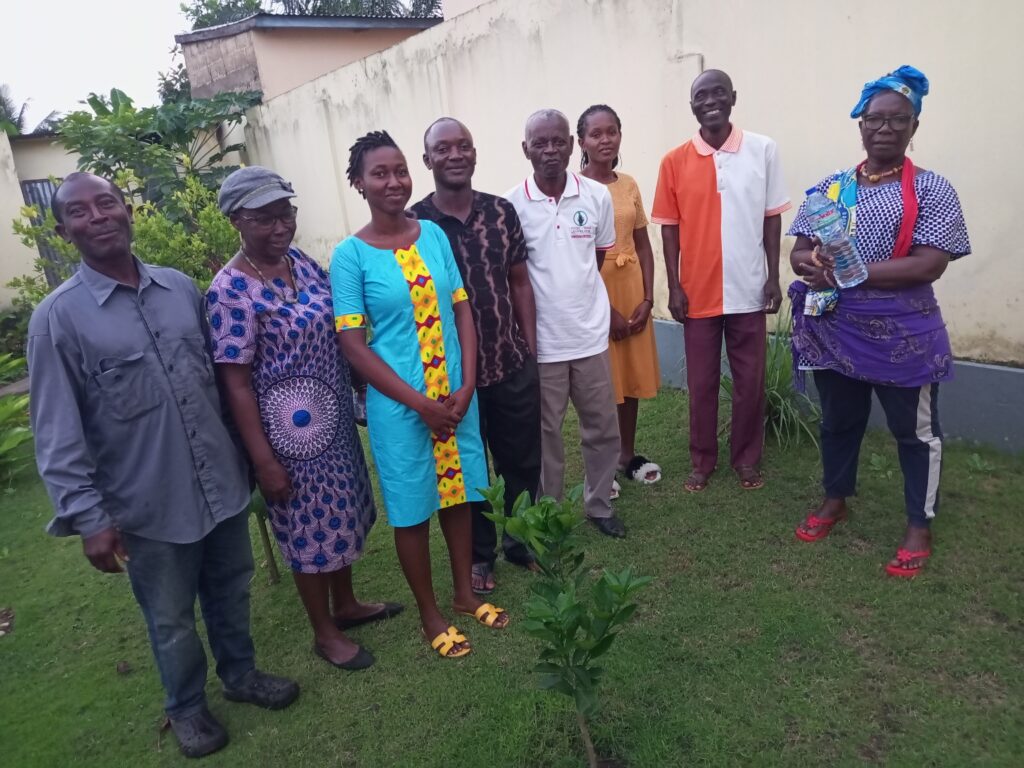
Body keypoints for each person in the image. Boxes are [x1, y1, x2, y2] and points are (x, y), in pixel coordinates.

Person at [27, 172, 298, 759]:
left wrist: (250, 459)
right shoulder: (58, 319)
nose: (97, 216)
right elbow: (56, 431)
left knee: (231, 587)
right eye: (79, 211)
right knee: (171, 616)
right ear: (62, 230)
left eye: (107, 203)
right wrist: (87, 517)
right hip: (147, 501)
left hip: (220, 483)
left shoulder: (180, 289)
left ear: (128, 210)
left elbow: (220, 384)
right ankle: (186, 708)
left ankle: (241, 674)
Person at [208, 166, 402, 671]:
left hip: (332, 424)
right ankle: (324, 632)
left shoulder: (302, 263)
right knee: (305, 531)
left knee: (342, 515)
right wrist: (263, 461)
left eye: (285, 214)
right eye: (264, 219)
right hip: (286, 441)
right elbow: (235, 383)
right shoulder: (229, 290)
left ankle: (347, 603)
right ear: (236, 221)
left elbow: (339, 328)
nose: (280, 227)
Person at [331, 130, 509, 659]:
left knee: (459, 494)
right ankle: (430, 613)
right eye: (380, 174)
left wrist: (468, 382)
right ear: (359, 184)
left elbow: (461, 309)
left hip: (455, 398)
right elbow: (353, 345)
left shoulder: (432, 234)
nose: (394, 182)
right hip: (401, 407)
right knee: (411, 510)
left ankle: (461, 595)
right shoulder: (350, 256)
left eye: (400, 170)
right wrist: (421, 404)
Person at [787, 66, 970, 578]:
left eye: (898, 120)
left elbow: (931, 262)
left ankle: (919, 522)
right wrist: (812, 266)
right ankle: (835, 499)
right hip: (835, 331)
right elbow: (800, 251)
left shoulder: (933, 189)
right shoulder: (831, 187)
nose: (885, 129)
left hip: (903, 335)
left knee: (915, 433)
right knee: (839, 421)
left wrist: (852, 274)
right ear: (860, 125)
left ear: (914, 127)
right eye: (875, 119)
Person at [411, 117, 541, 595]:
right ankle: (480, 556)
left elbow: (520, 282)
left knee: (522, 461)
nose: (455, 155)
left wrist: (529, 348)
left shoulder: (501, 212)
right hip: (451, 377)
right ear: (428, 161)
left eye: (463, 145)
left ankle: (523, 541)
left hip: (509, 362)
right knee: (467, 470)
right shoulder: (415, 225)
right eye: (442, 148)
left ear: (475, 153)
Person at [652, 69, 791, 493]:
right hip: (698, 293)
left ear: (733, 97)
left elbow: (772, 218)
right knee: (702, 383)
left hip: (749, 290)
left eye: (717, 93)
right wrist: (674, 286)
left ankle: (747, 459)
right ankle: (702, 460)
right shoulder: (674, 160)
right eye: (700, 95)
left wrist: (772, 276)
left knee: (750, 382)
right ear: (691, 104)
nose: (709, 101)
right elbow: (669, 228)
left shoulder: (762, 150)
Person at [505, 109, 625, 538]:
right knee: (545, 436)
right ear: (526, 149)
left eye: (558, 141)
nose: (550, 150)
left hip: (589, 336)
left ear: (571, 146)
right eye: (541, 143)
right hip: (542, 344)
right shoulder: (511, 206)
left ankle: (599, 504)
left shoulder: (596, 196)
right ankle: (550, 514)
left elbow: (595, 259)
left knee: (601, 428)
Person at [577, 104, 662, 491]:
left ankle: (627, 455)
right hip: (594, 290)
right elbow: (576, 259)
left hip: (632, 288)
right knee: (601, 382)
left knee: (629, 377)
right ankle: (602, 463)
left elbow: (643, 244)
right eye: (596, 133)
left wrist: (647, 299)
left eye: (611, 131)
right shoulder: (574, 189)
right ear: (582, 141)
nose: (605, 139)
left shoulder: (628, 184)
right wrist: (604, 309)